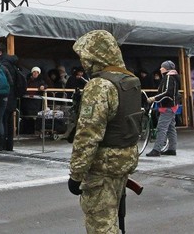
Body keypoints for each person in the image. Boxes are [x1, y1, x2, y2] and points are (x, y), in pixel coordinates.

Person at [67, 30, 141, 234]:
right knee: (113, 219)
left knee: (101, 225)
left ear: (94, 55)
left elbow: (87, 135)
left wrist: (76, 174)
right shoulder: (129, 80)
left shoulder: (100, 85)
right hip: (124, 161)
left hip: (103, 166)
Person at [146, 60, 180, 157]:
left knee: (161, 128)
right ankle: (172, 149)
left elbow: (167, 92)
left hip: (167, 105)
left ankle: (157, 149)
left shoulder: (168, 77)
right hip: (172, 105)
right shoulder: (174, 76)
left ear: (166, 68)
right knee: (171, 128)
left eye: (162, 67)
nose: (160, 69)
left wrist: (154, 98)